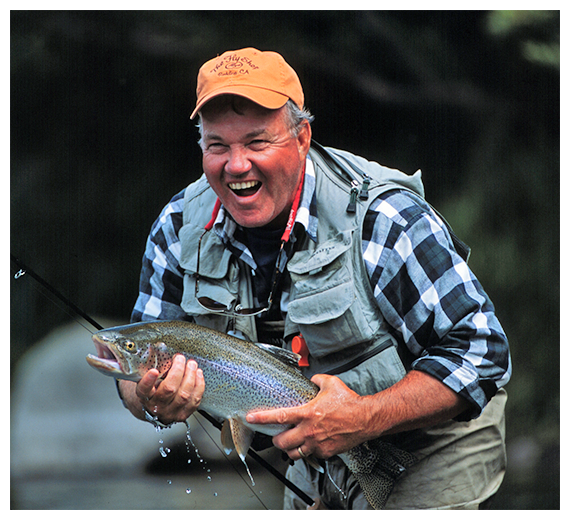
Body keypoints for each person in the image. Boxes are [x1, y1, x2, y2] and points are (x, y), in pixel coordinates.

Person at [117, 48, 512, 509]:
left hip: (432, 448)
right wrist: (149, 400)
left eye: (257, 142)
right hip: (313, 455)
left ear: (302, 137)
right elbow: (131, 368)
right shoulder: (178, 226)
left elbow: (482, 350)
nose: (236, 165)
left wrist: (365, 418)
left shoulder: (382, 217)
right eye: (217, 145)